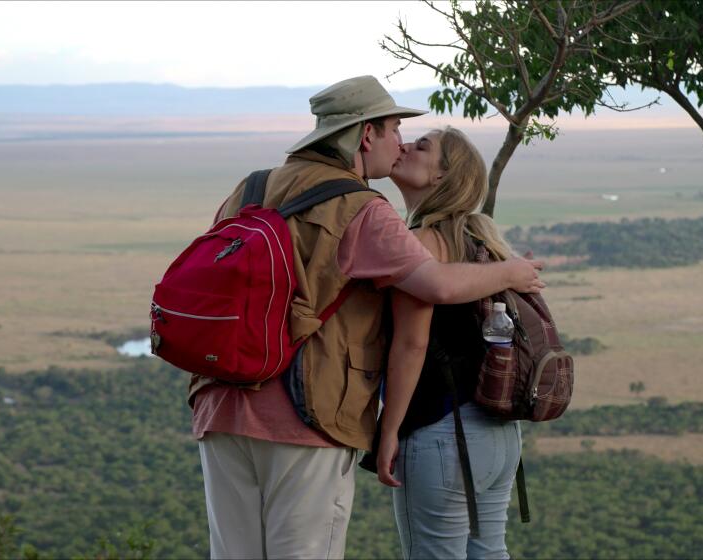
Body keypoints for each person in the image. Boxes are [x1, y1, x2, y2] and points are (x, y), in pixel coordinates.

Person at [189, 77, 544, 559]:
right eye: (395, 128)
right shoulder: (362, 209)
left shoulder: (250, 187)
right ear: (365, 136)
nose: (399, 142)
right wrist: (513, 270)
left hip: (222, 404)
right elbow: (435, 286)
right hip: (306, 416)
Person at [375, 126, 523, 559]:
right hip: (498, 433)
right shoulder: (481, 242)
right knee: (489, 553)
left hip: (443, 434)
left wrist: (389, 431)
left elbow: (411, 344)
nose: (403, 146)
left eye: (421, 147)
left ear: (443, 176)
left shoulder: (422, 243)